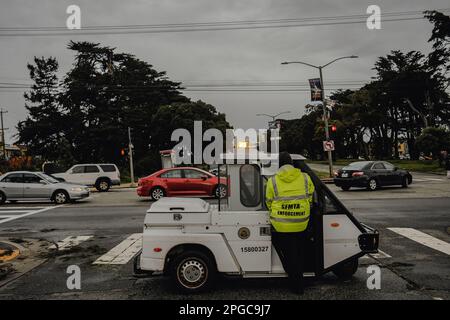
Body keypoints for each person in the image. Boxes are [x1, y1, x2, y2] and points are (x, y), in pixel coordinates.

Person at [265, 152, 314, 294]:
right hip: (301, 223)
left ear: (278, 165)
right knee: (299, 252)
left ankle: (295, 285)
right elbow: (310, 196)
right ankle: (300, 282)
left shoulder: (272, 181)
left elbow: (269, 202)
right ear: (291, 163)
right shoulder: (305, 178)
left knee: (288, 255)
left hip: (281, 226)